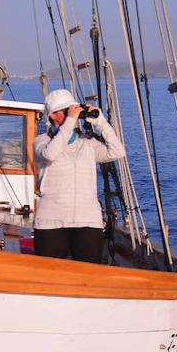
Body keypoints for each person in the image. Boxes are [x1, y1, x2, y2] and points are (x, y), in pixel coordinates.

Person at [32, 89, 125, 262]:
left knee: (89, 277)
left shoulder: (87, 143)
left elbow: (117, 152)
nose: (71, 115)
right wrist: (70, 121)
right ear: (52, 115)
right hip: (51, 221)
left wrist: (101, 123)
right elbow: (51, 154)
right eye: (66, 111)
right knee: (49, 277)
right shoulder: (41, 141)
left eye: (72, 110)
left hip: (87, 220)